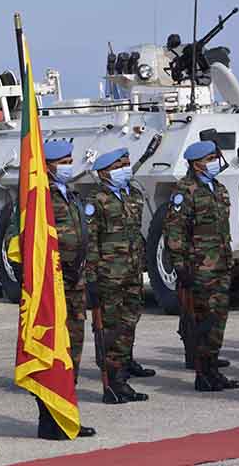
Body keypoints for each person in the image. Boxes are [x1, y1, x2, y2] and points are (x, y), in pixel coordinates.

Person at [164, 141, 239, 392]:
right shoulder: (185, 191)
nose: (215, 161)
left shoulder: (217, 188)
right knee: (204, 320)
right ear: (196, 163)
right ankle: (203, 372)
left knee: (218, 319)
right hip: (199, 268)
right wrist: (180, 266)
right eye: (210, 158)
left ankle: (212, 369)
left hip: (220, 264)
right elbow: (175, 231)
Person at [37, 140, 96, 438]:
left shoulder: (69, 195)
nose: (68, 165)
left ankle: (65, 413)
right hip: (53, 287)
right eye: (62, 160)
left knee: (72, 352)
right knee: (51, 352)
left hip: (75, 285)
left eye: (70, 159)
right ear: (47, 165)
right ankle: (48, 420)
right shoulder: (39, 197)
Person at [84, 147, 153, 404]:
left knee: (128, 325)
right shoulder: (95, 201)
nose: (125, 169)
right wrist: (91, 277)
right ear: (103, 172)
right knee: (110, 330)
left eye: (126, 163)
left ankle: (122, 374)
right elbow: (90, 242)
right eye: (118, 166)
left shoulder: (132, 195)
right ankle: (112, 383)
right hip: (108, 277)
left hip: (132, 273)